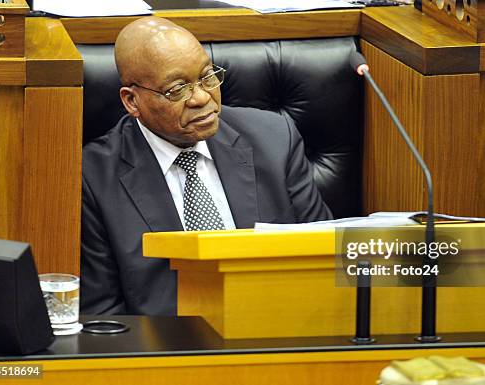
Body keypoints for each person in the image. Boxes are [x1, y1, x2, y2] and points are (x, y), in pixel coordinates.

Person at [80, 17, 332, 316]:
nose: (201, 98)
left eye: (208, 77)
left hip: (280, 330)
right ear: (132, 101)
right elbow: (103, 315)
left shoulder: (274, 139)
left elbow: (326, 258)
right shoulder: (94, 177)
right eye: (177, 90)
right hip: (166, 351)